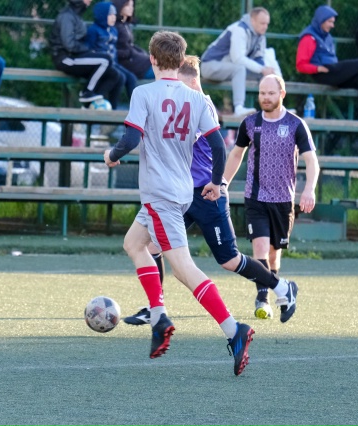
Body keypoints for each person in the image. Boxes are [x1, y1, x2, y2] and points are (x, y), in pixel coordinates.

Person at [104, 31, 258, 376]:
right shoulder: (197, 99)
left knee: (183, 269)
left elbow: (131, 138)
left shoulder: (143, 93)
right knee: (134, 243)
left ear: (153, 59)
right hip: (179, 190)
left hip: (160, 194)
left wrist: (111, 155)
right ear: (180, 59)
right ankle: (159, 316)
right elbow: (218, 146)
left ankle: (234, 330)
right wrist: (217, 182)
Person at [124, 55, 299, 325]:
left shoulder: (200, 104)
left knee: (229, 260)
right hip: (180, 194)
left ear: (193, 81)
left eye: (179, 83)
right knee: (150, 245)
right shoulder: (186, 101)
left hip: (207, 194)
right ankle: (155, 308)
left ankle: (282, 287)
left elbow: (193, 143)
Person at [223, 74, 319, 317]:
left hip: (284, 200)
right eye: (262, 93)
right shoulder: (249, 123)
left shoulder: (296, 124)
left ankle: (282, 291)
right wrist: (223, 183)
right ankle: (262, 299)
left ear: (282, 94)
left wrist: (309, 189)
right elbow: (236, 154)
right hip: (256, 197)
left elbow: (311, 161)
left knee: (274, 254)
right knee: (260, 248)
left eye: (271, 93)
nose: (265, 98)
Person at [200, 7, 282, 118]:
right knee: (240, 69)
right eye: (262, 23)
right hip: (210, 65)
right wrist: (262, 69)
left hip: (229, 69)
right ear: (252, 21)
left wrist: (268, 71)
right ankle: (239, 108)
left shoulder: (260, 36)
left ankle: (277, 107)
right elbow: (237, 59)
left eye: (267, 24)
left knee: (267, 73)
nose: (265, 27)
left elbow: (259, 59)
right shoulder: (240, 29)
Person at [49, 0, 124, 108]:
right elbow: (69, 45)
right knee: (105, 60)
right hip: (65, 58)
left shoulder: (76, 15)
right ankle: (87, 92)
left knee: (114, 74)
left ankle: (90, 106)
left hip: (75, 56)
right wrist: (89, 50)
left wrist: (88, 51)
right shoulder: (66, 16)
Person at [86, 1, 136, 99]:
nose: (114, 17)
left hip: (113, 63)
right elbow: (89, 49)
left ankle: (134, 106)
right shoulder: (93, 30)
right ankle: (99, 101)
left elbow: (113, 51)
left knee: (131, 78)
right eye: (110, 14)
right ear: (102, 15)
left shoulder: (113, 30)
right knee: (119, 77)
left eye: (114, 14)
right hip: (101, 64)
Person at [112, 0, 155, 80]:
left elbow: (130, 46)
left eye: (132, 5)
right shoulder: (116, 27)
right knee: (169, 71)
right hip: (130, 65)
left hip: (138, 61)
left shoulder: (125, 25)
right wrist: (132, 53)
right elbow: (119, 50)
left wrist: (141, 53)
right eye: (128, 5)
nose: (131, 8)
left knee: (172, 67)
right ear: (120, 6)